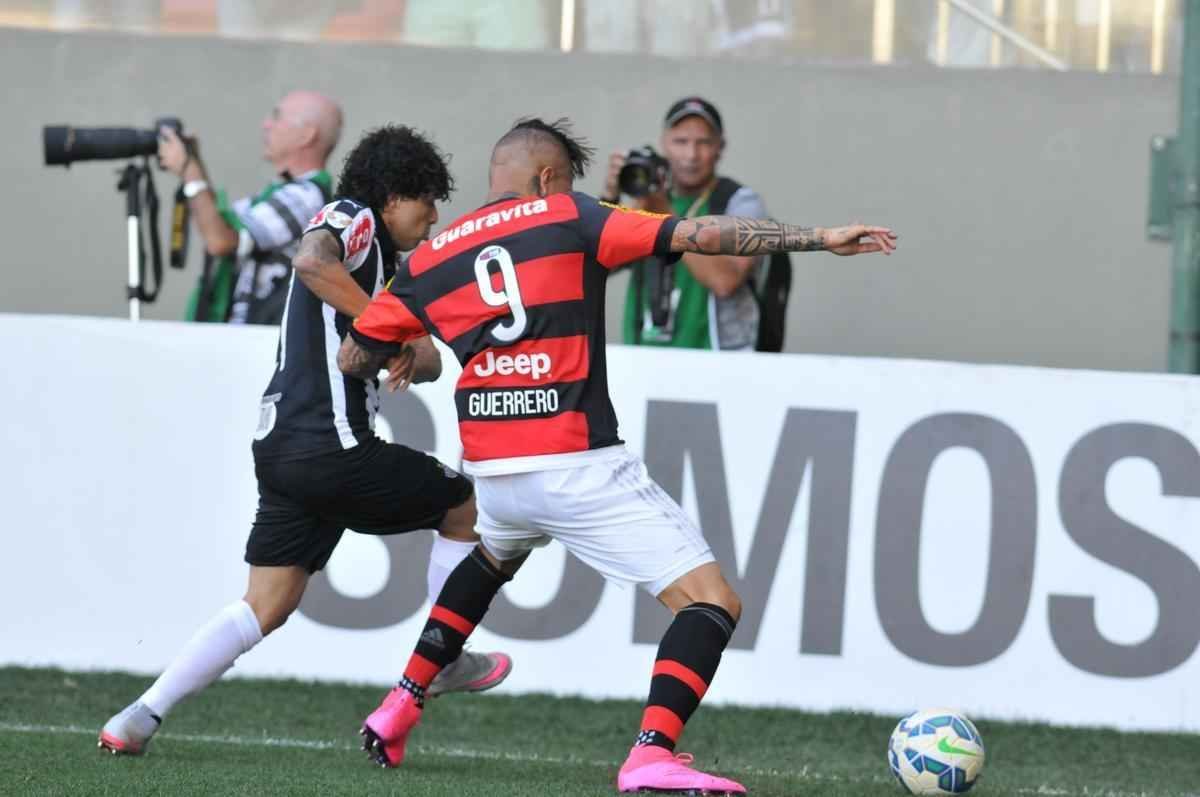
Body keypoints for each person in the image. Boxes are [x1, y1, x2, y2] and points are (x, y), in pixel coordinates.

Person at [338, 117, 897, 793]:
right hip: (572, 460)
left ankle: (399, 703)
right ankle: (651, 753)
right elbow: (694, 233)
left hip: (493, 468)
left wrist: (402, 345)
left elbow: (355, 354)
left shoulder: (428, 260)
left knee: (493, 555)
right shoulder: (569, 215)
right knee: (711, 601)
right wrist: (817, 237)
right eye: (565, 182)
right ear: (547, 179)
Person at [98, 125, 512, 757]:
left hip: (284, 448)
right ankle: (442, 656)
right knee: (466, 506)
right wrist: (388, 330)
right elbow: (313, 259)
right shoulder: (353, 217)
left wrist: (404, 345)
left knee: (266, 604)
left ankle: (140, 715)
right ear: (393, 195)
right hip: (331, 443)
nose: (433, 220)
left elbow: (420, 359)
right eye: (427, 202)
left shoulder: (391, 271)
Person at [603, 96, 784, 352]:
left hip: (718, 363)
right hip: (644, 358)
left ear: (720, 147)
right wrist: (610, 200)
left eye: (704, 143)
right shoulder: (647, 201)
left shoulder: (740, 202)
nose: (691, 155)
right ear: (664, 144)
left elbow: (725, 281)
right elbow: (599, 267)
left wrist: (664, 214)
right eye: (681, 142)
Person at [158, 90, 340, 325]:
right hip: (247, 336)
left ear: (306, 135)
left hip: (258, 343)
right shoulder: (282, 193)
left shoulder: (306, 197)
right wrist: (195, 164)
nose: (266, 124)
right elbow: (220, 224)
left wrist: (189, 170)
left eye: (277, 116)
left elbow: (221, 241)